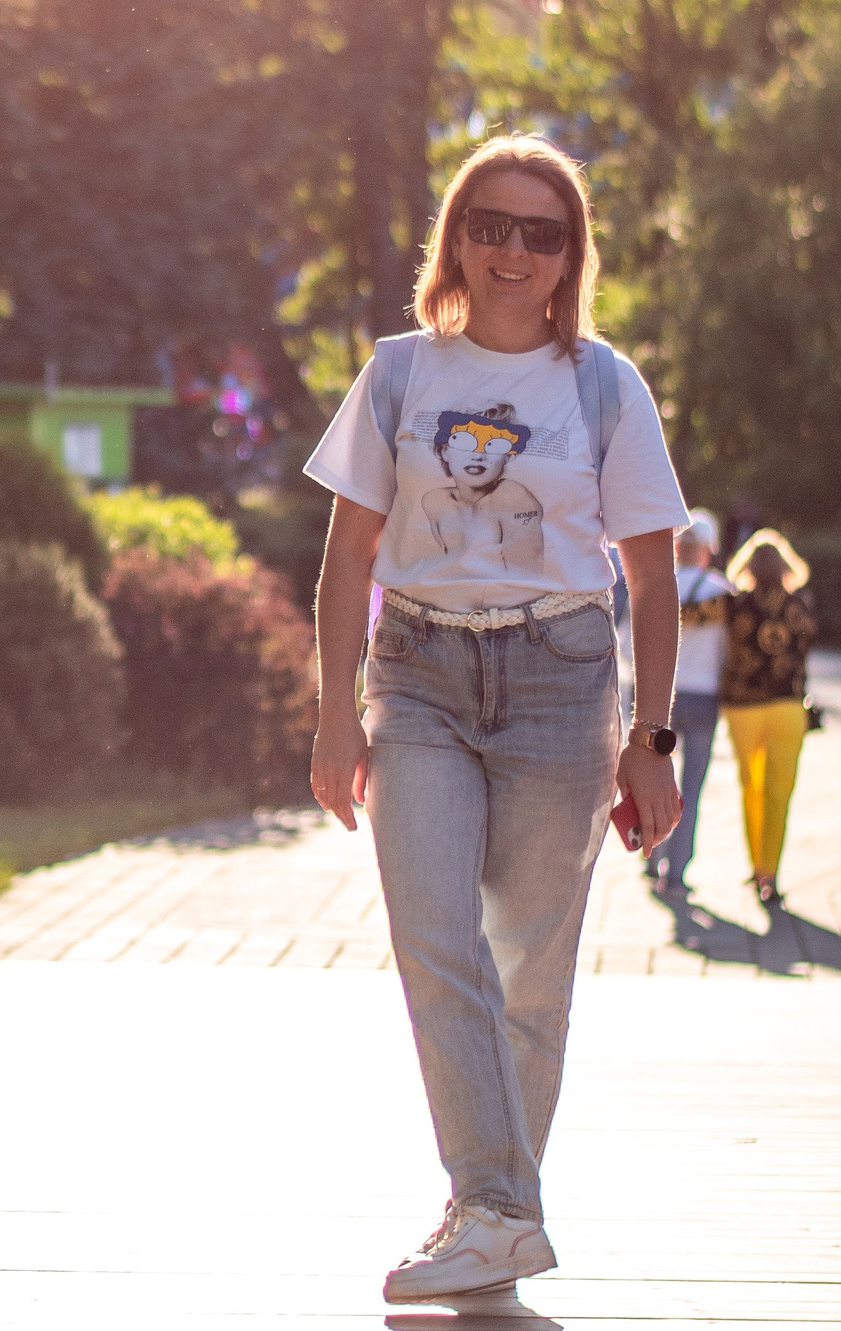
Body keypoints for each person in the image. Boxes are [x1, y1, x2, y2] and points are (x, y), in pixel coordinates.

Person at [306, 135, 689, 1304]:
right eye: (491, 224)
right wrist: (334, 716)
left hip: (562, 681)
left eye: (541, 231)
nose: (513, 250)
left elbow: (653, 575)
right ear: (456, 236)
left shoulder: (601, 384)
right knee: (436, 939)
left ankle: (488, 1210)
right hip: (416, 670)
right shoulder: (398, 374)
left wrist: (652, 738)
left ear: (570, 253)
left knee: (527, 963)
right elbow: (342, 564)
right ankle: (493, 1208)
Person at [719, 528, 817, 908]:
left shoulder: (734, 603)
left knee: (751, 787)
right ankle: (770, 873)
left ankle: (755, 865)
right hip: (788, 707)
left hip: (742, 706)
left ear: (748, 567)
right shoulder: (801, 604)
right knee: (779, 793)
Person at [648, 508, 732, 894]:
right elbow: (732, 652)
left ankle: (650, 852)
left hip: (657, 698)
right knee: (691, 787)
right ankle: (677, 872)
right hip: (703, 696)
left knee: (652, 780)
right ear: (708, 550)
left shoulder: (655, 584)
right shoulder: (722, 591)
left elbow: (633, 645)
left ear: (677, 546)